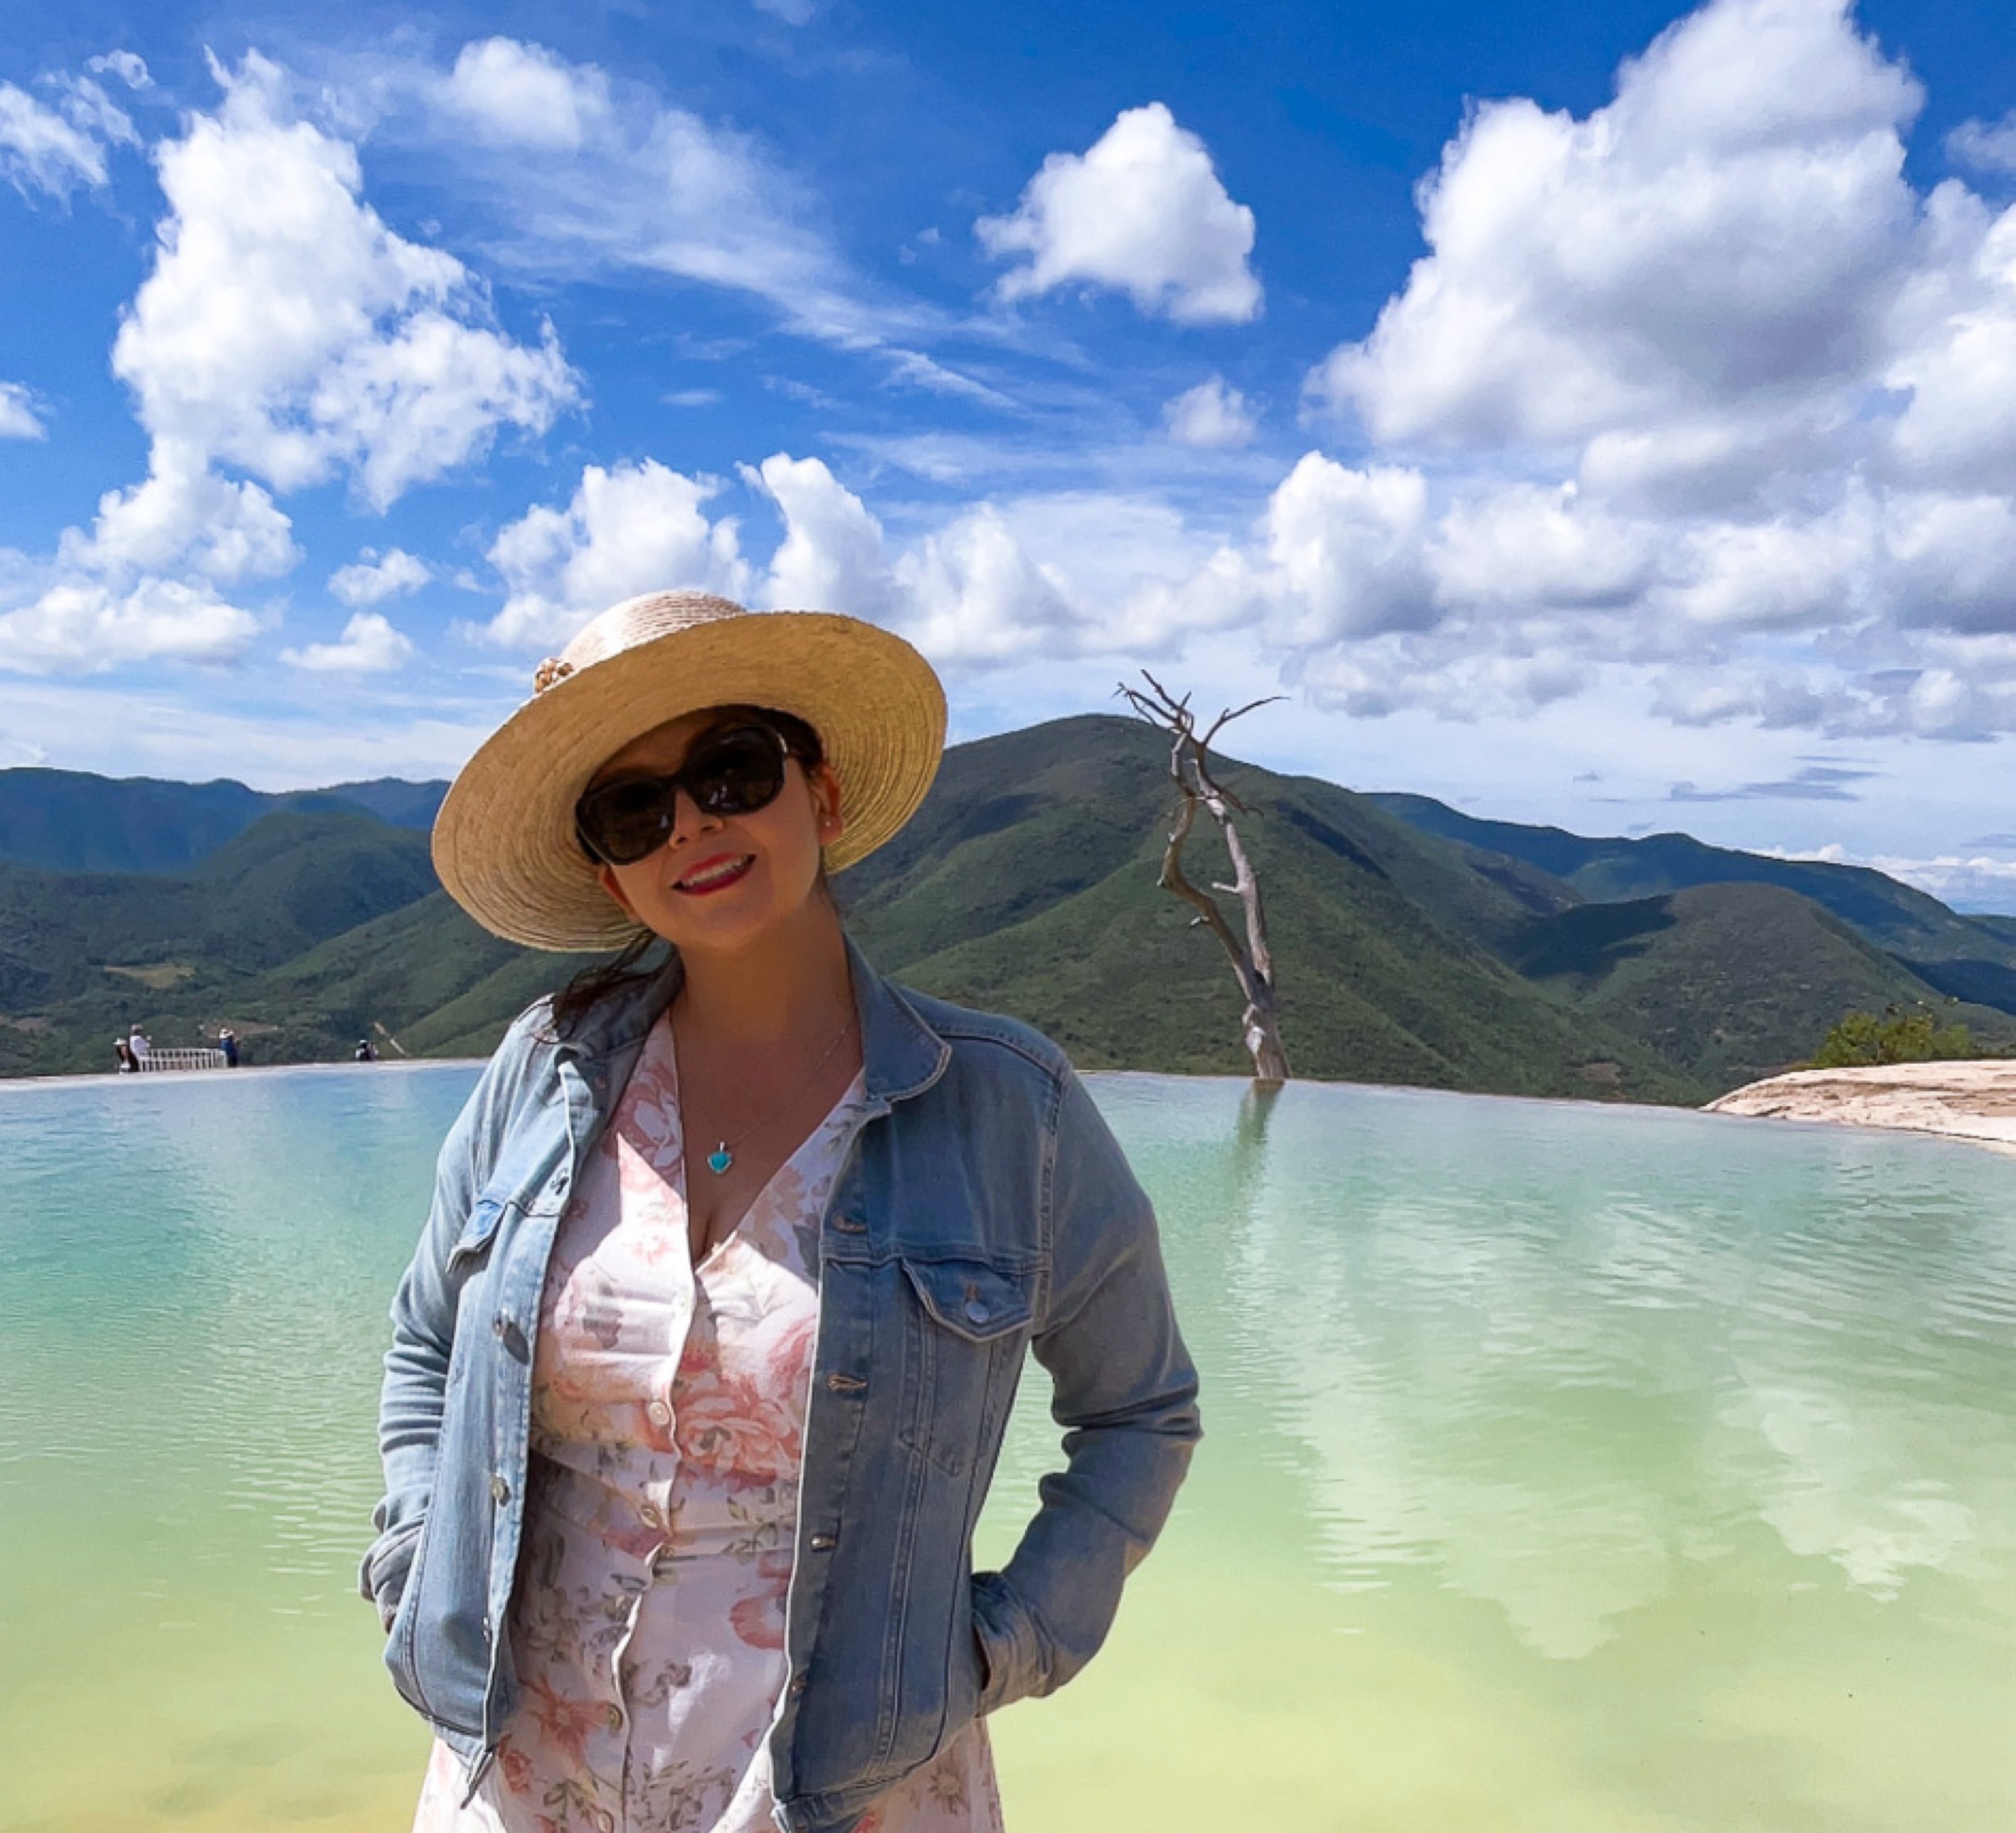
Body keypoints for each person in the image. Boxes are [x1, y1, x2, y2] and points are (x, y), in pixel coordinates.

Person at [362, 590, 1200, 1833]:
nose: (689, 823)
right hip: (522, 1771)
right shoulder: (541, 1074)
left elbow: (1139, 1410)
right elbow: (429, 1344)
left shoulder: (1002, 1106)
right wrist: (410, 1563)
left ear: (822, 793)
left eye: (730, 769)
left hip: (844, 1784)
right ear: (611, 870)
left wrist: (998, 1646)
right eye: (634, 808)